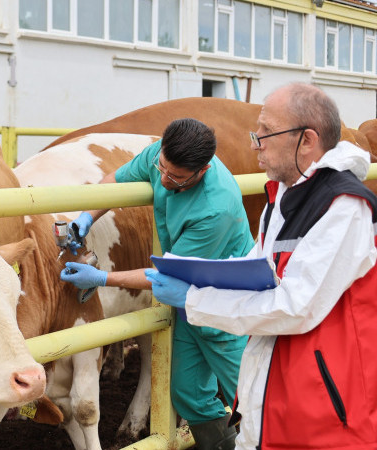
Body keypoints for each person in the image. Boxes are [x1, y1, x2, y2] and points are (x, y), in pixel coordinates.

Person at [146, 82, 377, 449]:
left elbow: (294, 306)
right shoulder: (283, 195)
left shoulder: (344, 207)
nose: (255, 143)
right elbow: (259, 273)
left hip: (324, 420)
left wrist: (194, 299)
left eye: (267, 133)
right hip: (279, 399)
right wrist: (201, 279)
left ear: (307, 140)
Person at [60, 117, 252, 449]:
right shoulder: (162, 157)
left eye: (175, 177)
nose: (162, 180)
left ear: (202, 171)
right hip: (186, 300)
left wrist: (102, 277)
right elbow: (118, 180)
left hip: (226, 302)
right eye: (161, 168)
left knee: (252, 395)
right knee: (188, 392)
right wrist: (87, 215)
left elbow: (170, 274)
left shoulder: (215, 208)